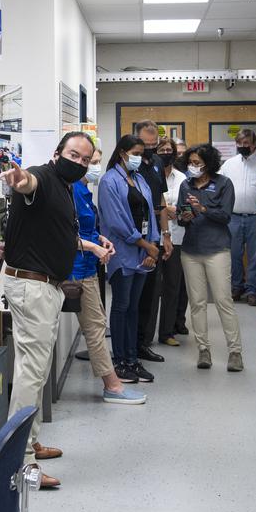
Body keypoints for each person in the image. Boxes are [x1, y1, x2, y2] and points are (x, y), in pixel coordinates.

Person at [0, 130, 95, 489]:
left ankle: (30, 440)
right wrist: (18, 178)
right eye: (74, 155)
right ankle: (20, 462)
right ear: (57, 153)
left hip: (44, 287)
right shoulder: (43, 176)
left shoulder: (65, 187)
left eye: (86, 159)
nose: (79, 162)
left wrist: (92, 246)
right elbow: (28, 182)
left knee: (35, 372)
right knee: (30, 374)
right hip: (33, 288)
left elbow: (56, 231)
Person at [73, 147, 147, 405]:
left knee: (96, 326)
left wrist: (100, 239)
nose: (93, 166)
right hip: (75, 270)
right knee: (96, 326)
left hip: (87, 267)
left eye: (94, 161)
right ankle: (113, 385)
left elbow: (85, 227)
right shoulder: (71, 190)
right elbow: (64, 233)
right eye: (88, 161)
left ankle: (113, 384)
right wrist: (94, 246)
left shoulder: (83, 191)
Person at [99, 134, 161, 385]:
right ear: (122, 153)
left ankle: (133, 359)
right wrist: (146, 245)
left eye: (141, 154)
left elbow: (150, 215)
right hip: (122, 252)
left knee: (134, 308)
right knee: (121, 306)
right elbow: (116, 222)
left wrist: (152, 245)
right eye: (135, 154)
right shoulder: (109, 181)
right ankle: (120, 361)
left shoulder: (139, 179)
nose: (139, 158)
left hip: (142, 253)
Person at [177, 144, 242, 371]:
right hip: (191, 251)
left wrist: (203, 209)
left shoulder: (224, 184)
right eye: (190, 162)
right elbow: (181, 216)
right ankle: (203, 350)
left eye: (197, 163)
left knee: (224, 301)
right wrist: (185, 216)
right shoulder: (185, 185)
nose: (193, 166)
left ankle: (235, 352)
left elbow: (225, 216)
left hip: (217, 250)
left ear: (209, 163)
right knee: (197, 303)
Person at [132, 120, 172, 363]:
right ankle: (129, 346)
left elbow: (161, 202)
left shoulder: (157, 162)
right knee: (133, 295)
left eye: (153, 144)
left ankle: (143, 343)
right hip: (134, 236)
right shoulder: (129, 164)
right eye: (144, 144)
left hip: (154, 233)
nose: (149, 149)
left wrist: (166, 235)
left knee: (150, 292)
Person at [221, 128, 256, 306]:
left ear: (254, 144)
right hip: (233, 218)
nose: (242, 146)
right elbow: (220, 188)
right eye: (239, 143)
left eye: (246, 143)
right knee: (234, 255)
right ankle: (237, 286)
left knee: (255, 256)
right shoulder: (228, 164)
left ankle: (252, 290)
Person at [157, 137, 190, 347]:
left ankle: (167, 331)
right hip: (154, 238)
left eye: (169, 150)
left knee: (173, 286)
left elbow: (187, 209)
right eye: (161, 150)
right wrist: (163, 210)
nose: (166, 154)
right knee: (153, 290)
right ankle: (147, 333)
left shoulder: (182, 179)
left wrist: (173, 211)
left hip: (177, 237)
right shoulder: (150, 175)